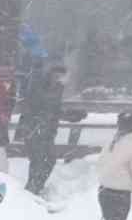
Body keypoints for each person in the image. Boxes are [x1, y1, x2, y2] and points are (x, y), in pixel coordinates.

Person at [21, 65, 84, 196]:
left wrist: (70, 116)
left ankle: (36, 187)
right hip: (34, 129)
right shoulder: (38, 86)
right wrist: (34, 123)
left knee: (49, 160)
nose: (59, 79)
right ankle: (31, 190)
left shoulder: (58, 89)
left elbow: (55, 110)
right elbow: (30, 107)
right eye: (56, 75)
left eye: (61, 76)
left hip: (48, 131)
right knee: (37, 160)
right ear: (50, 74)